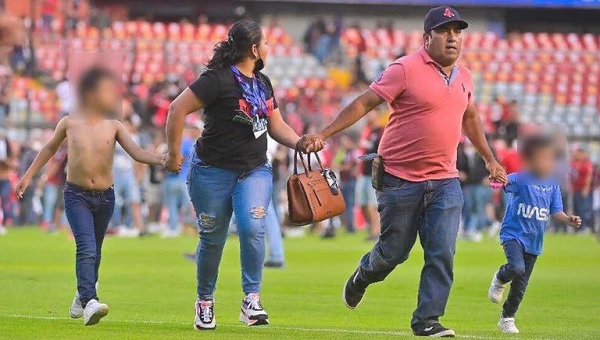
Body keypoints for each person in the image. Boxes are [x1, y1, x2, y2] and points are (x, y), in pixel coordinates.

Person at [297, 6, 507, 337]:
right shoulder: (404, 68)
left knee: (442, 253)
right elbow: (365, 103)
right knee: (392, 254)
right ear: (427, 37)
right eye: (444, 31)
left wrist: (490, 159)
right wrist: (323, 135)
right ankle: (363, 274)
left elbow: (471, 117)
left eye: (457, 32)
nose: (452, 37)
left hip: (445, 180)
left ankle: (427, 320)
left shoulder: (465, 76)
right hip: (399, 180)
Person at [165, 20, 303, 330]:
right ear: (254, 49)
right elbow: (177, 109)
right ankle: (205, 301)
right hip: (211, 171)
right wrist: (174, 155)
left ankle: (251, 300)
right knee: (212, 239)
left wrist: (300, 142)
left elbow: (276, 125)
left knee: (253, 228)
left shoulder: (263, 83)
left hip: (253, 169)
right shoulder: (215, 80)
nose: (268, 47)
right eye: (265, 43)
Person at [16, 66, 165, 326]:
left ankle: (80, 296)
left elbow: (138, 153)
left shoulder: (114, 126)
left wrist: (164, 159)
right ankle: (90, 300)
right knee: (85, 248)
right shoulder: (69, 123)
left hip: (105, 198)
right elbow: (49, 149)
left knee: (95, 252)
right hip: (77, 195)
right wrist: (28, 177)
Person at [487, 135, 581, 334]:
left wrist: (568, 220)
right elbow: (501, 183)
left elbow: (556, 211)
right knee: (516, 267)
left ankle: (507, 318)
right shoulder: (520, 178)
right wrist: (496, 180)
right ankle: (499, 278)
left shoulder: (553, 185)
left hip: (534, 240)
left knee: (521, 286)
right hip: (513, 234)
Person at [571, 147, 593, 231]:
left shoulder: (586, 163)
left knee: (582, 208)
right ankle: (576, 227)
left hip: (582, 189)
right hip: (575, 189)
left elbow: (588, 176)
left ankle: (582, 227)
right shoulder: (574, 162)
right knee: (575, 207)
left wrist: (586, 188)